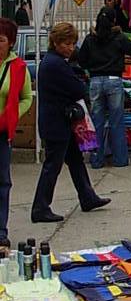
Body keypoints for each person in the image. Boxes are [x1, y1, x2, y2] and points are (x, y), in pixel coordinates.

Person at [31, 23, 110, 223]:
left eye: (73, 43)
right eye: (66, 43)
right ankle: (40, 207)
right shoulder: (55, 64)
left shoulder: (55, 61)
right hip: (56, 124)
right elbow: (77, 89)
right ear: (56, 43)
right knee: (52, 166)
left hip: (61, 122)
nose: (70, 47)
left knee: (75, 161)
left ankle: (87, 196)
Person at [78, 9, 131, 168]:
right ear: (114, 21)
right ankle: (120, 159)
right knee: (117, 121)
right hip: (114, 81)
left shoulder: (89, 39)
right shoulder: (119, 38)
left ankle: (96, 160)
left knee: (97, 121)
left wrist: (93, 68)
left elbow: (81, 60)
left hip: (95, 81)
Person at [0, 19, 32, 247]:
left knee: (2, 183)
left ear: (10, 42)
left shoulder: (18, 67)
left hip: (2, 133)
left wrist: (12, 116)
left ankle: (0, 231)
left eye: (0, 40)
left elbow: (27, 98)